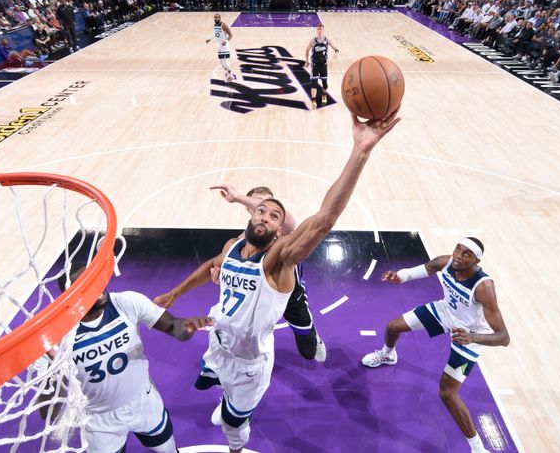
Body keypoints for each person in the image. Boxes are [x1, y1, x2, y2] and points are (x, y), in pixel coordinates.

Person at [160, 111, 399, 452]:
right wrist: (174, 293)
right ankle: (220, 384)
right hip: (218, 342)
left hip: (249, 365)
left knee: (232, 424)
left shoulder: (277, 259)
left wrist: (360, 152)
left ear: (278, 230)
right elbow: (208, 266)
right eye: (261, 210)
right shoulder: (231, 246)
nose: (266, 216)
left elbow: (323, 221)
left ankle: (235, 444)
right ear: (250, 214)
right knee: (213, 375)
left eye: (275, 216)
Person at [38, 263, 213, 453]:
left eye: (94, 279)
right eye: (84, 285)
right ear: (68, 296)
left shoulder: (126, 302)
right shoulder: (54, 337)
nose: (96, 287)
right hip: (98, 418)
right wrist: (54, 369)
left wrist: (186, 327)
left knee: (168, 450)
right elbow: (48, 413)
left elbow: (173, 327)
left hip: (144, 401)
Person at [361, 238, 509, 453]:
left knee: (447, 394)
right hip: (444, 312)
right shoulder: (446, 262)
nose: (459, 255)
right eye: (458, 248)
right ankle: (388, 354)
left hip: (469, 335)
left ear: (477, 260)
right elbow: (424, 269)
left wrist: (472, 338)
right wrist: (399, 276)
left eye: (467, 253)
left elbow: (503, 338)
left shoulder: (484, 287)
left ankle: (478, 448)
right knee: (392, 327)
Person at [155, 184, 327, 363]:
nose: (267, 211)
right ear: (250, 209)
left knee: (308, 350)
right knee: (241, 345)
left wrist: (237, 197)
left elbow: (293, 223)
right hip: (259, 303)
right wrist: (220, 279)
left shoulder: (284, 236)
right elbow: (212, 268)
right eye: (260, 205)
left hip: (291, 299)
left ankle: (312, 332)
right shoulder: (237, 245)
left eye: (272, 207)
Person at [304, 23, 339, 109]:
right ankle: (313, 100)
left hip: (323, 65)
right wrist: (307, 61)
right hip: (315, 65)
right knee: (314, 83)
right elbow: (307, 50)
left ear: (323, 30)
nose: (319, 31)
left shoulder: (327, 40)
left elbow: (335, 48)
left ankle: (324, 94)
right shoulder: (313, 41)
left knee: (325, 84)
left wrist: (336, 53)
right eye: (318, 29)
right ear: (317, 30)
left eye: (321, 29)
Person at [205, 13, 236, 82]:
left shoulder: (223, 25)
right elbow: (214, 34)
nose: (216, 18)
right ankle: (227, 72)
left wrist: (226, 41)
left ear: (220, 18)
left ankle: (231, 75)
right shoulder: (214, 26)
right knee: (221, 61)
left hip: (225, 46)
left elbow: (230, 35)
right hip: (218, 45)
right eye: (215, 17)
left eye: (217, 17)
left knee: (225, 61)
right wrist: (209, 39)